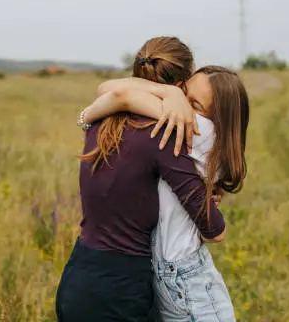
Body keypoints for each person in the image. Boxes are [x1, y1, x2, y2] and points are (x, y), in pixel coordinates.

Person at [55, 37, 226, 322]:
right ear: (184, 82)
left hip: (78, 275)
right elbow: (213, 227)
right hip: (121, 289)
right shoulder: (164, 133)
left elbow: (112, 92)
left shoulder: (102, 119)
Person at [84, 65, 249, 321]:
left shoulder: (198, 130)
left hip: (190, 286)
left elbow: (114, 92)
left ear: (217, 122)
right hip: (176, 279)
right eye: (183, 95)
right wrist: (172, 93)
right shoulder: (194, 130)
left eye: (193, 104)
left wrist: (86, 116)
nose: (181, 107)